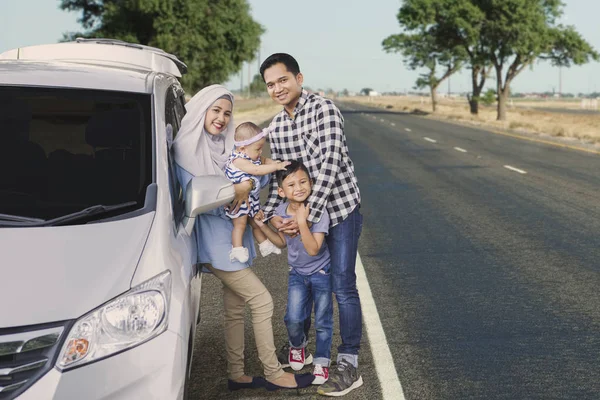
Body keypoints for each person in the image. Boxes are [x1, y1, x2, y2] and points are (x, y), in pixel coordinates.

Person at [172, 84, 314, 392]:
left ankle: (236, 374)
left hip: (234, 239)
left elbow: (252, 178)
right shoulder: (187, 149)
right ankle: (274, 372)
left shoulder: (222, 147)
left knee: (235, 310)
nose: (222, 119)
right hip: (217, 243)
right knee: (262, 301)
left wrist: (251, 178)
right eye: (216, 110)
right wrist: (237, 189)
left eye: (227, 113)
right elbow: (204, 196)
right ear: (200, 111)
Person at [260, 54, 364, 396]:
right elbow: (284, 177)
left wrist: (304, 215)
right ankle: (303, 349)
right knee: (304, 281)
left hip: (341, 209)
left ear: (299, 78)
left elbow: (331, 164)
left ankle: (348, 363)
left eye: (282, 80)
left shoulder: (325, 110)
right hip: (307, 214)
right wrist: (278, 213)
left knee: (342, 285)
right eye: (270, 84)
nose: (277, 88)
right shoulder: (275, 127)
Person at [254, 160, 333, 386]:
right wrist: (263, 226)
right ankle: (298, 347)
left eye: (303, 182)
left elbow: (313, 248)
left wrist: (302, 222)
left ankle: (322, 361)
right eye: (291, 184)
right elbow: (281, 242)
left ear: (311, 183)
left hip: (321, 272)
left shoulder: (317, 211)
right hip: (297, 273)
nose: (298, 188)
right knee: (293, 318)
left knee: (323, 321)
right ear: (281, 191)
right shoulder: (280, 211)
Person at [224, 121, 288, 263]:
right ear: (242, 148)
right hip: (239, 201)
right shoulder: (238, 160)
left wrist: (273, 162)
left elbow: (264, 160)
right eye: (258, 149)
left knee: (256, 222)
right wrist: (277, 167)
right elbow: (257, 170)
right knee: (239, 225)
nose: (260, 153)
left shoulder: (252, 156)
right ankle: (237, 249)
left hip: (251, 199)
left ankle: (264, 245)